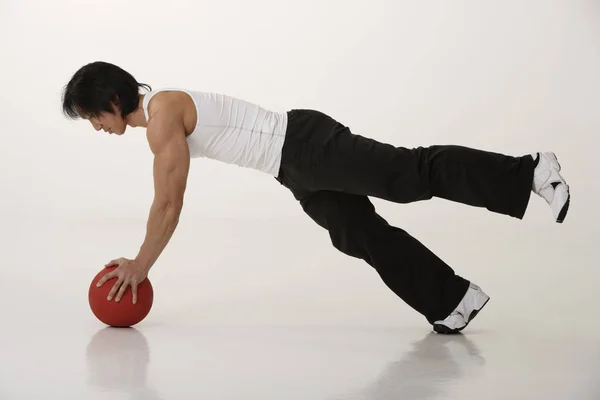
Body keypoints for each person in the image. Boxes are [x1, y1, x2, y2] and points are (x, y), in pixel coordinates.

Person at [61, 61, 570, 334]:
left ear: (110, 102)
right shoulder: (160, 117)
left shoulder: (164, 112)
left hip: (304, 145)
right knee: (357, 233)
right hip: (292, 167)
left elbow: (168, 203)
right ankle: (453, 300)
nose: (96, 127)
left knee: (409, 174)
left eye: (92, 117)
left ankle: (529, 172)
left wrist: (141, 265)